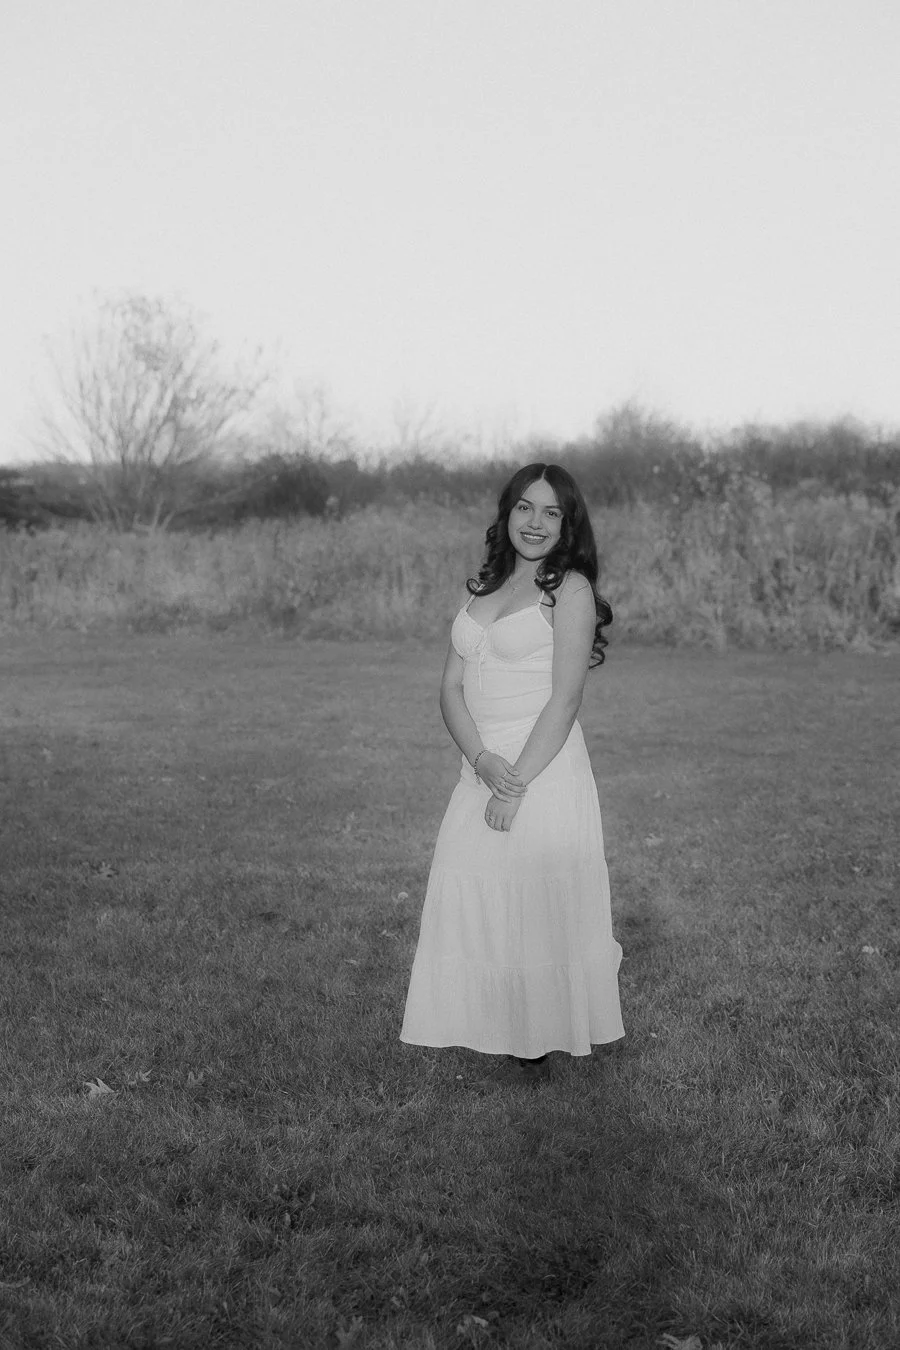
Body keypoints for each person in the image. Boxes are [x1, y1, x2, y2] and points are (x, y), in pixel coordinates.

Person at [400, 463, 624, 1083]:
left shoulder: (570, 591)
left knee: (534, 897)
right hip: (484, 761)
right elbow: (449, 687)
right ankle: (489, 1022)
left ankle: (538, 1038)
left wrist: (514, 782)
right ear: (506, 513)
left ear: (567, 524)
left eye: (551, 512)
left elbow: (566, 699)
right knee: (475, 885)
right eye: (525, 508)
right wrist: (481, 761)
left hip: (541, 764)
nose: (535, 522)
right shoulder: (482, 589)